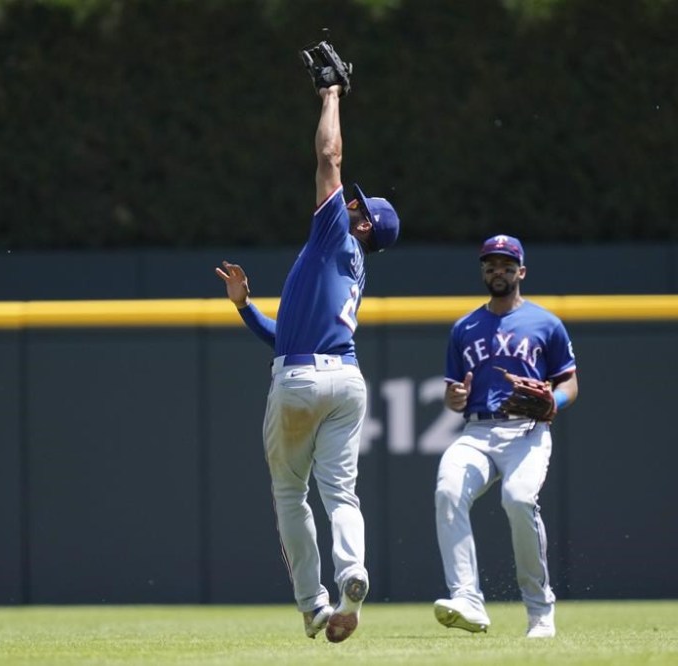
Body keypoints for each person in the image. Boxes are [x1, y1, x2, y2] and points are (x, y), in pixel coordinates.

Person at [215, 81, 399, 643]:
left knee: (290, 493)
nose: (348, 202)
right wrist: (246, 309)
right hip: (346, 379)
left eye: (357, 207)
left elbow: (328, 156)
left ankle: (314, 606)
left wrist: (331, 95)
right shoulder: (352, 267)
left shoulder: (333, 233)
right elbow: (286, 335)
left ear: (363, 225)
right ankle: (354, 571)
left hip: (299, 380)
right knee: (341, 493)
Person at [434, 234, 578, 639]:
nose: (498, 270)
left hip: (527, 431)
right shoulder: (464, 327)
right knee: (448, 491)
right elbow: (451, 396)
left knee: (517, 500)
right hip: (477, 429)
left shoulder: (545, 323)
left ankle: (539, 611)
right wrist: (455, 397)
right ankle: (467, 599)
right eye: (491, 264)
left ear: (522, 271)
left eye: (507, 264)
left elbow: (570, 382)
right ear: (483, 271)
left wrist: (555, 401)